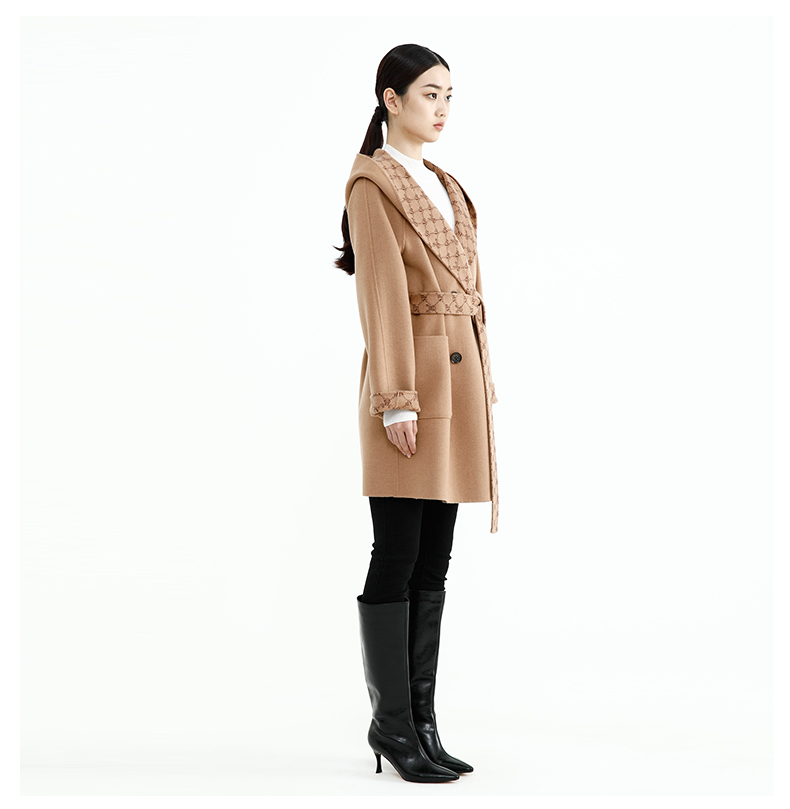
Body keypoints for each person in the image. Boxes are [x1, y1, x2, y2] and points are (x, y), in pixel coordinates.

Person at [334, 43, 500, 783]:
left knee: (435, 557)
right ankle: (391, 723)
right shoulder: (373, 183)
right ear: (391, 100)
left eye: (449, 95)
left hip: (458, 388)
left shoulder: (448, 186)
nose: (441, 108)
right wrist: (396, 400)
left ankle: (422, 725)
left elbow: (475, 296)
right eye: (429, 94)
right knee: (397, 552)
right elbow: (381, 298)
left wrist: (485, 383)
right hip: (410, 391)